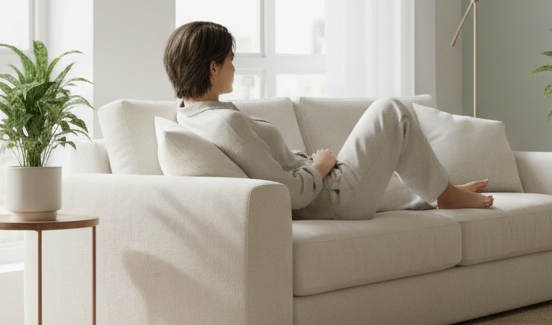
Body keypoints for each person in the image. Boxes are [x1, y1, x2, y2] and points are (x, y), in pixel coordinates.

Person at [162, 21, 493, 219]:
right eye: (230, 60)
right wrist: (318, 166)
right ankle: (446, 194)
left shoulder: (189, 115)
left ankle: (442, 192)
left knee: (397, 174)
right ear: (213, 67)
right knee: (392, 112)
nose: (235, 68)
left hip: (327, 192)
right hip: (329, 197)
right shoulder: (225, 126)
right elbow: (287, 192)